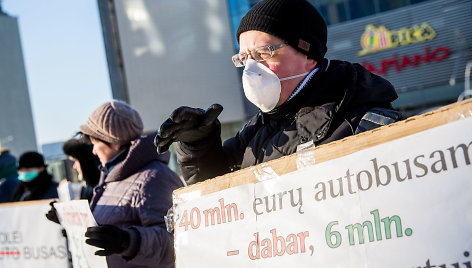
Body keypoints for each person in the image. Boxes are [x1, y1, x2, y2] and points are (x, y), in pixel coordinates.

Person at [154, 0, 402, 185]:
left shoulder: (363, 123)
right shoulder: (252, 134)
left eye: (263, 54)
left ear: (308, 56)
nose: (251, 68)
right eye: (244, 58)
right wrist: (198, 145)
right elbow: (213, 203)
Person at [79, 100, 184, 268]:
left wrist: (127, 242)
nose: (93, 151)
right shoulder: (111, 177)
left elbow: (176, 242)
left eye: (95, 143)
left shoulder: (155, 177)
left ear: (114, 142)